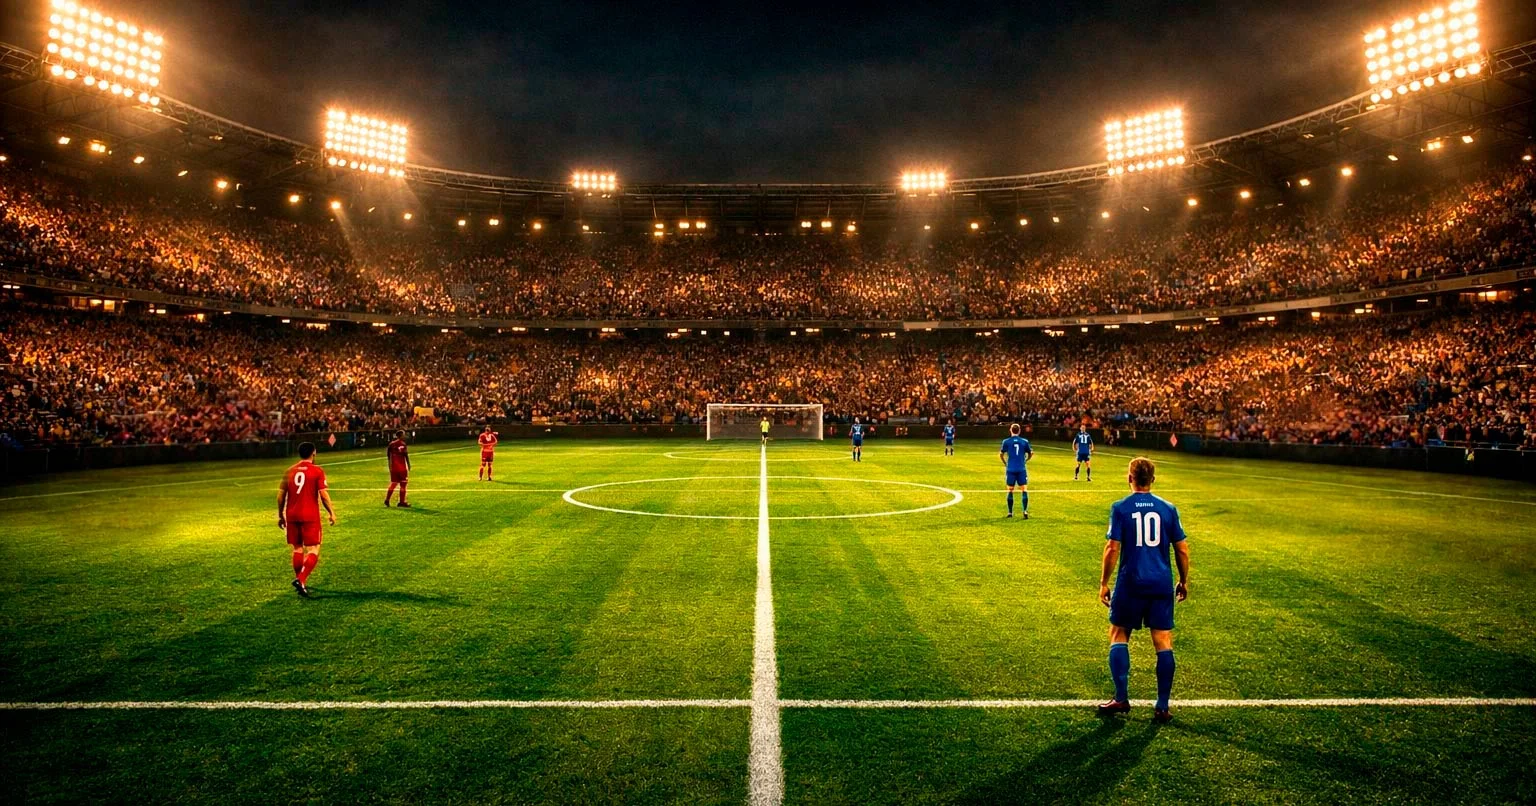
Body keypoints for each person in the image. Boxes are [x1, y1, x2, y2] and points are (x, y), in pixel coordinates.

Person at [1097, 457, 1190, 723]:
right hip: (1160, 583)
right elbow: (1182, 548)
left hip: (1131, 582)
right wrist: (1183, 580)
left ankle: (1121, 698)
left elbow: (1112, 548)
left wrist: (1104, 582)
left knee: (1118, 633)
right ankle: (1161, 706)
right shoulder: (1168, 508)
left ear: (1130, 478)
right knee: (1163, 640)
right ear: (1153, 480)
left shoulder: (1121, 508)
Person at [277, 442, 336, 597]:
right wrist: (331, 512)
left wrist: (280, 515)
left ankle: (299, 580)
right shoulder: (317, 471)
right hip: (310, 514)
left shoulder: (289, 471)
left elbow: (280, 495)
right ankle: (301, 579)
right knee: (314, 548)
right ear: (314, 452)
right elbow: (323, 495)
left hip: (292, 514)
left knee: (297, 547)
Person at [999, 423, 1033, 519]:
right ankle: (1025, 511)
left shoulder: (1006, 442)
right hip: (1021, 469)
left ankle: (1010, 512)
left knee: (1010, 490)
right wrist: (1026, 460)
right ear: (1019, 431)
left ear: (1010, 430)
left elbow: (1001, 454)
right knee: (1024, 490)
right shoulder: (1024, 441)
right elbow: (1031, 453)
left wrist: (1005, 463)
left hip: (1011, 469)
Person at [385, 430, 411, 507]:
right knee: (403, 484)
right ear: (401, 436)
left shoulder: (391, 444)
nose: (405, 436)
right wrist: (408, 465)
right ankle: (402, 502)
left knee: (393, 483)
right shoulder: (403, 444)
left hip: (394, 468)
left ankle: (387, 500)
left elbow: (388, 456)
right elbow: (405, 455)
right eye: (404, 435)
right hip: (402, 468)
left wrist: (390, 467)